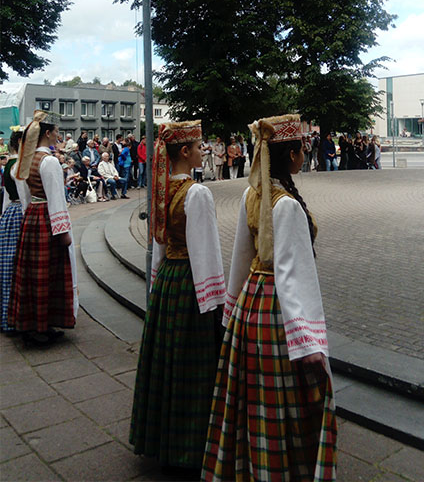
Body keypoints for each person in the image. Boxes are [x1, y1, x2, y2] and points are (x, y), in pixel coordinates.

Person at [201, 114, 337, 482]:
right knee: (282, 401)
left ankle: (251, 467)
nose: (306, 152)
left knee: (253, 398)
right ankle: (282, 469)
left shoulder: (253, 193)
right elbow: (294, 277)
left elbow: (241, 259)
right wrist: (309, 344)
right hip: (278, 312)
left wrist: (231, 311)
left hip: (251, 304)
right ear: (292, 153)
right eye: (303, 147)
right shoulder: (287, 205)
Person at [130, 120, 226, 476]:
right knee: (191, 364)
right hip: (190, 283)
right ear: (184, 152)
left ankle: (164, 442)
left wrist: (155, 286)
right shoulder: (196, 193)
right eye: (199, 146)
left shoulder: (161, 191)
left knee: (166, 362)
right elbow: (207, 252)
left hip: (169, 279)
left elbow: (158, 246)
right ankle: (191, 445)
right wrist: (217, 304)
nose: (203, 150)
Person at [8, 111, 79, 345]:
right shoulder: (49, 161)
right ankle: (43, 325)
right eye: (56, 132)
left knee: (32, 274)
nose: (58, 135)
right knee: (49, 274)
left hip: (32, 217)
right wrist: (63, 232)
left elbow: (25, 196)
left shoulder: (26, 160)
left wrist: (28, 215)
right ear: (47, 133)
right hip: (47, 219)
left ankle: (32, 324)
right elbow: (57, 198)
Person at [0, 128, 24, 332]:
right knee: (17, 264)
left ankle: (6, 313)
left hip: (9, 214)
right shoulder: (18, 166)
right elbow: (23, 198)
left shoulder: (9, 164)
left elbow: (7, 199)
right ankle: (15, 316)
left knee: (8, 264)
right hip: (19, 213)